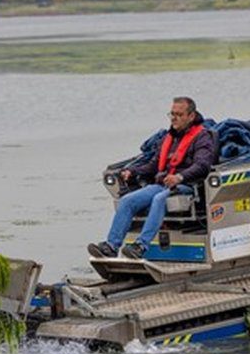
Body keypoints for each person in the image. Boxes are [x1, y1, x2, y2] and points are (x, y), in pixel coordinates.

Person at [89, 96, 216, 260]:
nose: (174, 118)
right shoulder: (168, 138)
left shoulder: (203, 137)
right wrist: (132, 171)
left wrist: (179, 177)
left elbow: (202, 166)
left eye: (179, 114)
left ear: (191, 116)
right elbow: (154, 164)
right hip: (163, 184)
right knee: (127, 200)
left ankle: (141, 246)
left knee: (159, 198)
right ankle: (111, 246)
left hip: (187, 186)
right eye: (172, 114)